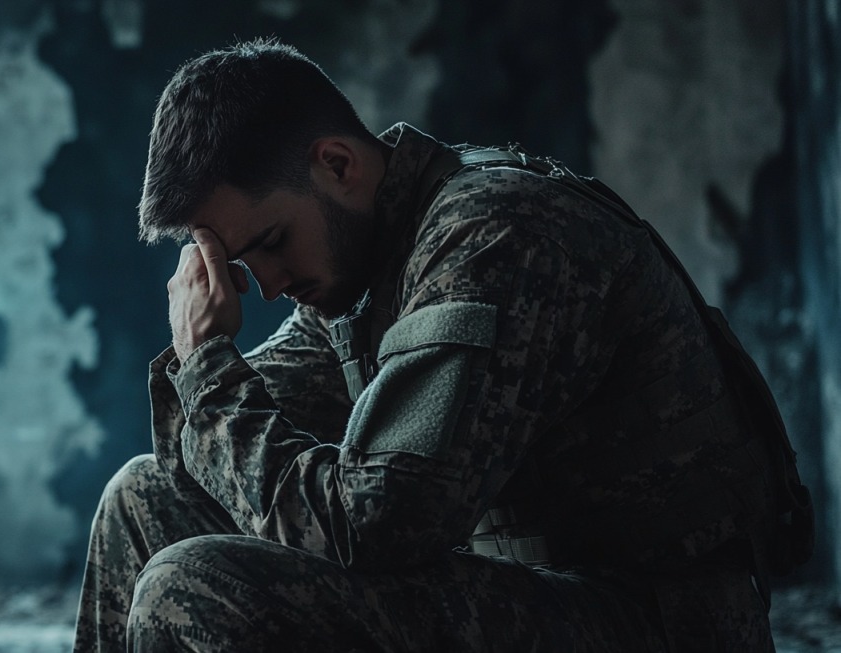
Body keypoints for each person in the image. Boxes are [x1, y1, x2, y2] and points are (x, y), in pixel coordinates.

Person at [72, 38, 807, 652]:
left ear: (336, 164)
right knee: (142, 497)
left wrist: (208, 368)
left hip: (654, 622)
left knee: (193, 582)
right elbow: (206, 460)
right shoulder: (370, 262)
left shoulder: (491, 238)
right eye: (236, 266)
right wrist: (206, 369)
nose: (263, 286)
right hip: (542, 599)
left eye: (267, 243)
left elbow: (373, 526)